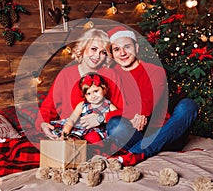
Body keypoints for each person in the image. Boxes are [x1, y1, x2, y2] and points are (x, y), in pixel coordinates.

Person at [100, 26, 199, 166]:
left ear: (136, 47)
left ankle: (135, 154)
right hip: (136, 134)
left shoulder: (155, 71)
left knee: (188, 105)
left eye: (127, 47)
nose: (122, 53)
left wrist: (107, 116)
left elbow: (146, 105)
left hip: (167, 133)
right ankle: (151, 150)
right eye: (116, 49)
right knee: (115, 125)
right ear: (112, 53)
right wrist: (120, 117)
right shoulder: (110, 74)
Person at [35, 28, 124, 141]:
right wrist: (43, 124)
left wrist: (102, 118)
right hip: (70, 130)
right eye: (93, 49)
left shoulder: (111, 74)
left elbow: (122, 110)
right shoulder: (66, 74)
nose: (97, 56)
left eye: (103, 52)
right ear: (83, 48)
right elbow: (49, 106)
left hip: (100, 131)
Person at [51, 73, 117, 143]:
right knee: (68, 137)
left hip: (97, 133)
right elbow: (71, 121)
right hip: (80, 131)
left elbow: (117, 118)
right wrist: (64, 135)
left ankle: (93, 150)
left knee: (94, 138)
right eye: (88, 94)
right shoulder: (82, 105)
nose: (93, 96)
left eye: (96, 91)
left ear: (104, 89)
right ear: (84, 95)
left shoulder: (108, 106)